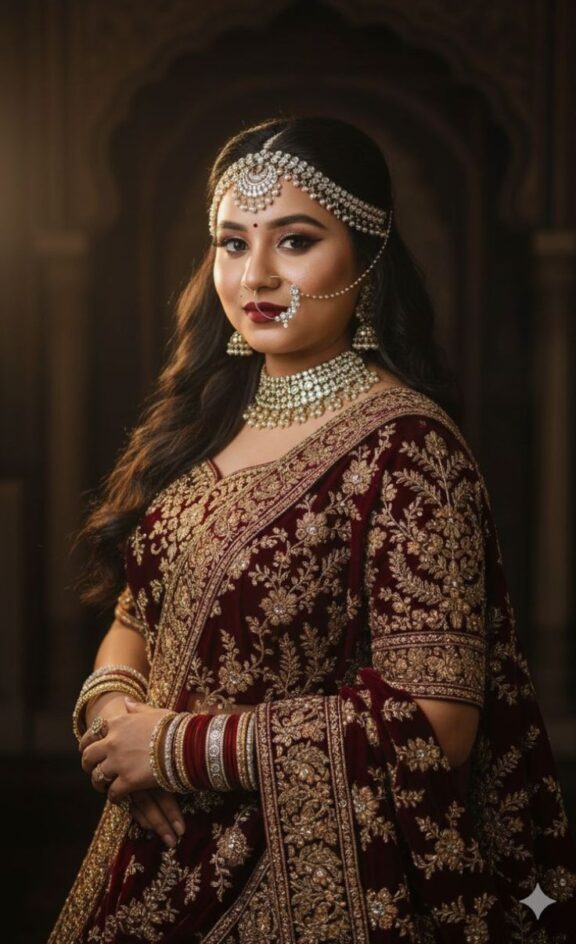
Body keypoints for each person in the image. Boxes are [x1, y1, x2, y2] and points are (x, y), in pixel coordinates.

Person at [48, 116, 576, 944]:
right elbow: (132, 619)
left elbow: (439, 719)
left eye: (294, 241)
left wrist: (181, 750)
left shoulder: (408, 448)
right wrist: (113, 716)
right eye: (231, 242)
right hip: (150, 856)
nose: (254, 274)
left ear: (367, 259)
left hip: (315, 884)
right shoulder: (201, 425)